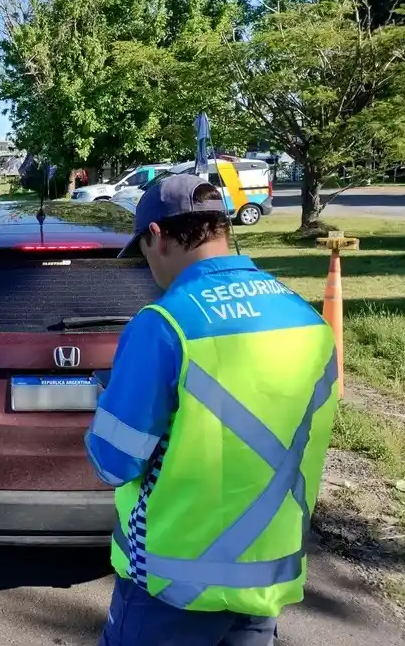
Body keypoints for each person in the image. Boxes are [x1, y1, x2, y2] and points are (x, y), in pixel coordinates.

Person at [86, 174, 338, 645]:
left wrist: (108, 403)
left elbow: (114, 463)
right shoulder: (305, 318)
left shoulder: (163, 324)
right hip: (264, 579)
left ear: (157, 236)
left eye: (143, 250)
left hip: (169, 586)